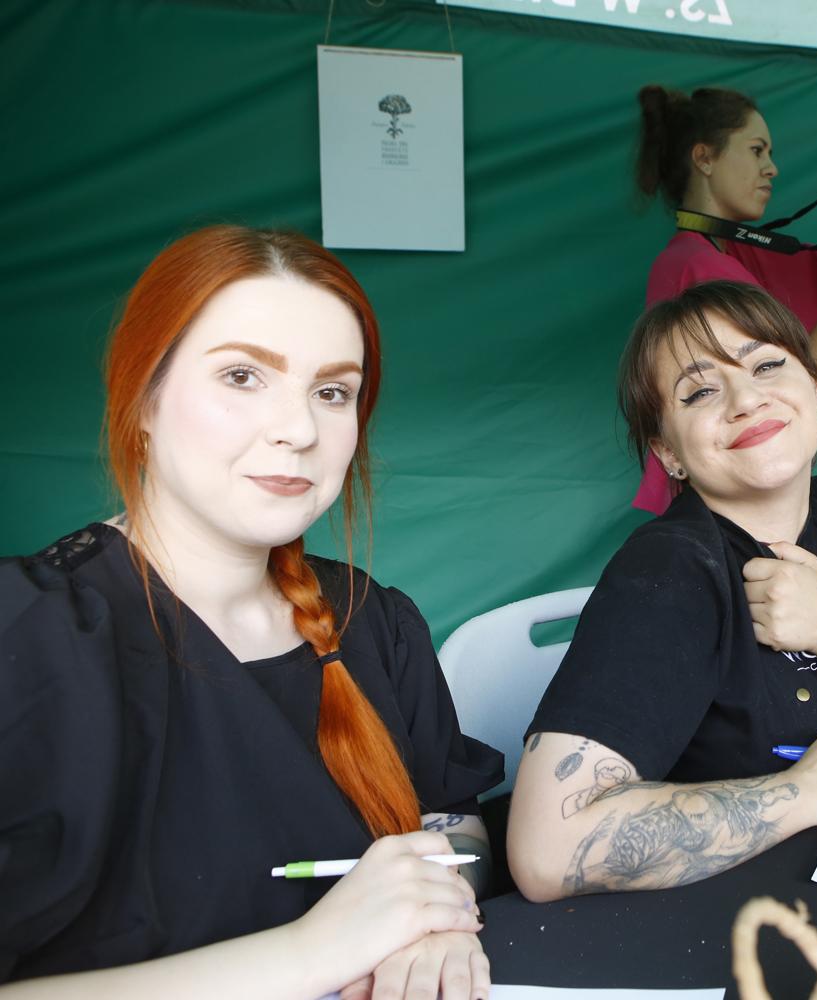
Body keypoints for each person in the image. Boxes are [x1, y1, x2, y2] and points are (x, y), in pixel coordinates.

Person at [0, 227, 504, 998]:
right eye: (242, 376)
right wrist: (310, 952)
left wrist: (437, 905)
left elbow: (456, 823)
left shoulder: (374, 621)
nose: (298, 430)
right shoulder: (26, 639)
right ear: (142, 398)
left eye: (332, 392)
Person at [507, 281, 817, 902]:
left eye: (766, 365)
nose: (745, 399)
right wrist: (803, 792)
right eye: (700, 391)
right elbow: (545, 853)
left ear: (816, 392)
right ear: (668, 453)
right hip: (739, 915)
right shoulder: (669, 569)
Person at [631, 84, 817, 514]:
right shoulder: (699, 268)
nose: (771, 169)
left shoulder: (725, 251)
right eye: (757, 151)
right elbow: (808, 371)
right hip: (726, 509)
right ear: (704, 158)